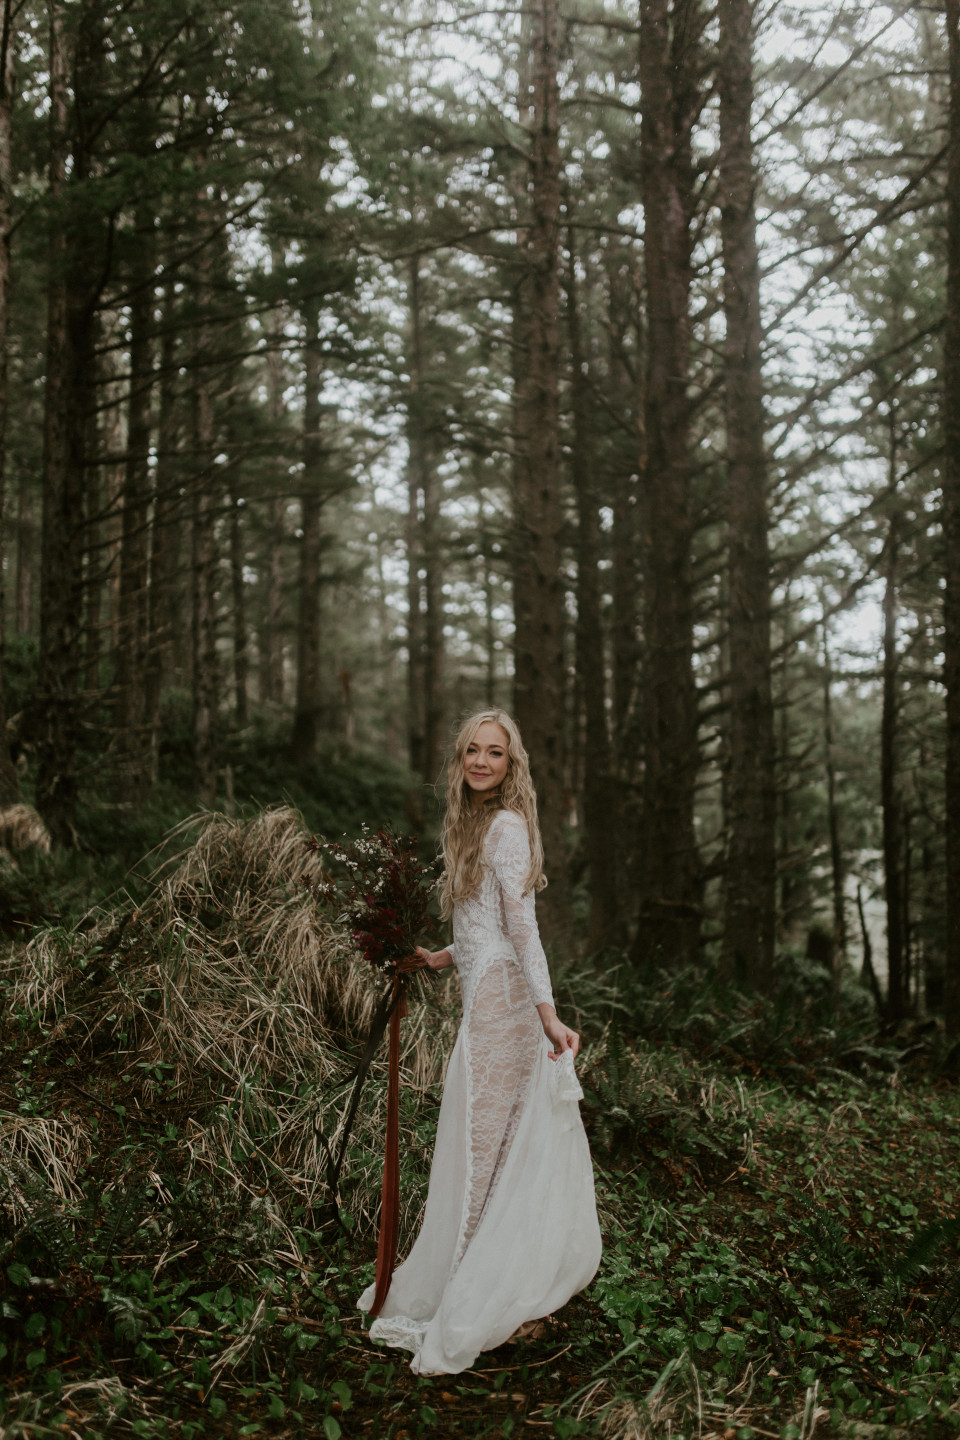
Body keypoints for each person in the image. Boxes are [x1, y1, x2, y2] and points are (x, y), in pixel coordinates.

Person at [358, 708, 602, 1375]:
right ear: (460, 760)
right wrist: (439, 957)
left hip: (506, 1007)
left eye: (495, 753)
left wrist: (549, 1016)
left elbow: (521, 929)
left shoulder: (507, 826)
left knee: (484, 1146)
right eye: (472, 750)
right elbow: (481, 927)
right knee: (479, 1145)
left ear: (511, 764)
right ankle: (471, 1275)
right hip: (484, 993)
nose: (481, 762)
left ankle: (477, 1290)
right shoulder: (471, 825)